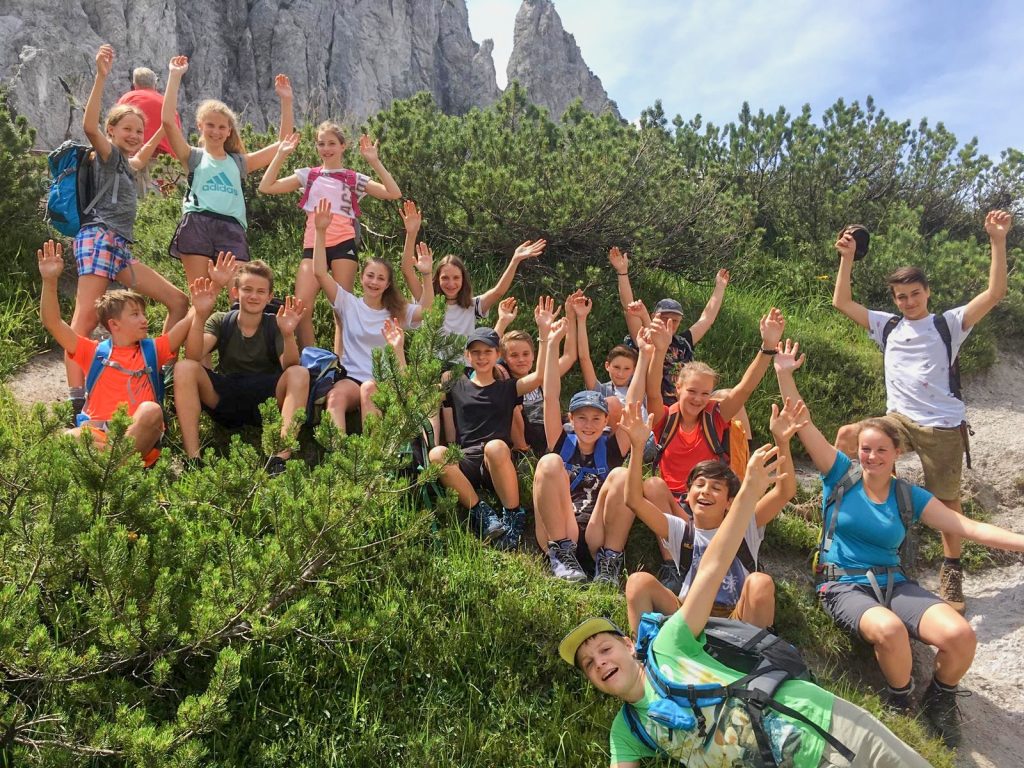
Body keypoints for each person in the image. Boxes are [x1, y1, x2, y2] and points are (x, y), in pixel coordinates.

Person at [558, 443, 935, 768]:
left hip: (821, 726)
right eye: (590, 664)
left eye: (604, 649)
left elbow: (715, 565)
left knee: (758, 582)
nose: (600, 662)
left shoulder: (666, 645)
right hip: (769, 732)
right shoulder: (627, 731)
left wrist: (752, 487)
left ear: (629, 644)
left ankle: (755, 651)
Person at [775, 338, 1024, 747]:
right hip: (841, 582)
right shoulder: (840, 475)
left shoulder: (909, 496)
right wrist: (784, 374)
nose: (870, 456)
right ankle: (899, 701)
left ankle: (939, 697)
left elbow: (969, 527)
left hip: (894, 582)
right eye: (865, 449)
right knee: (889, 630)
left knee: (960, 636)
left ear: (896, 454)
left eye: (880, 450)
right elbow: (803, 424)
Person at [831, 211, 1012, 614]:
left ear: (927, 292)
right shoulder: (888, 326)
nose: (908, 301)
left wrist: (997, 240)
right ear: (894, 299)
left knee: (946, 503)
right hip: (898, 421)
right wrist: (847, 257)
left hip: (942, 426)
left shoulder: (949, 324)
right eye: (901, 296)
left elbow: (994, 293)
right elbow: (841, 301)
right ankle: (854, 519)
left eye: (914, 294)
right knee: (848, 436)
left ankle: (951, 567)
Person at [65, 44, 189, 419]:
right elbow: (89, 126)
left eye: (138, 130)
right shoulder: (106, 155)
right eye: (127, 129)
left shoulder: (128, 163)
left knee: (178, 302)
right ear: (112, 131)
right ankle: (76, 399)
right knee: (86, 317)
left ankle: (157, 376)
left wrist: (172, 83)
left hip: (118, 247)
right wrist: (101, 77)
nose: (135, 135)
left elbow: (153, 142)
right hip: (99, 238)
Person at [621, 395, 803, 632]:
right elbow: (633, 500)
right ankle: (644, 658)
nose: (705, 491)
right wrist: (637, 447)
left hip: (738, 618)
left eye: (716, 488)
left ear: (729, 502)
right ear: (687, 495)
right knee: (637, 582)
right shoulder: (681, 531)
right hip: (689, 614)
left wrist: (783, 442)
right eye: (699, 485)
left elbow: (784, 492)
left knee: (760, 582)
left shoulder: (744, 524)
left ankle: (756, 657)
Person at [643, 309, 786, 592]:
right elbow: (652, 394)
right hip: (675, 505)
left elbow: (744, 390)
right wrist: (659, 351)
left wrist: (768, 347)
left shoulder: (714, 417)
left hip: (707, 500)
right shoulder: (666, 419)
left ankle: (735, 558)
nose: (698, 398)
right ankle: (674, 565)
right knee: (653, 485)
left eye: (705, 393)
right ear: (678, 388)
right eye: (692, 391)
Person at [38, 240, 192, 466]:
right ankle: (113, 468)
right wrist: (49, 280)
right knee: (67, 438)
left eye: (143, 313)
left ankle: (109, 471)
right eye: (135, 314)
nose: (144, 320)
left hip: (139, 437)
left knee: (151, 410)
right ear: (114, 324)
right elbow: (53, 323)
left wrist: (207, 296)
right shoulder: (92, 352)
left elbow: (188, 322)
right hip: (98, 437)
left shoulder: (154, 350)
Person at [259, 127, 402, 350]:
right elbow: (266, 186)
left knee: (341, 310)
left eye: (332, 143)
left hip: (343, 245)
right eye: (321, 143)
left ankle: (340, 363)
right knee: (301, 308)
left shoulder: (353, 178)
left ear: (343, 146)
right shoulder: (309, 175)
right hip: (313, 246)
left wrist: (374, 161)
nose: (326, 149)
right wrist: (281, 154)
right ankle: (312, 361)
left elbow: (393, 192)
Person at [427, 298, 552, 551]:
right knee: (437, 454)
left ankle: (513, 514)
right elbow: (426, 397)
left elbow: (539, 376)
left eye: (487, 352)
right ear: (467, 355)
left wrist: (544, 333)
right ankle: (480, 511)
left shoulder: (508, 388)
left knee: (495, 446)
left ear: (497, 355)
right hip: (466, 460)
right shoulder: (457, 383)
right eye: (476, 352)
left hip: (497, 459)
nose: (481, 357)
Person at [161, 56, 294, 286]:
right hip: (198, 222)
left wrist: (286, 101)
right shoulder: (193, 156)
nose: (216, 131)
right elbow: (168, 123)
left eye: (222, 127)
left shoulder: (238, 162)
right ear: (200, 126)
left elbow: (284, 142)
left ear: (229, 131)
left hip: (231, 228)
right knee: (202, 296)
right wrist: (174, 77)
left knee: (241, 292)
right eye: (210, 125)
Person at [173, 254, 309, 475]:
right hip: (227, 394)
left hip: (266, 400)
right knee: (184, 367)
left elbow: (289, 365)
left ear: (269, 297)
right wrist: (199, 315)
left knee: (300, 373)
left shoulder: (275, 324)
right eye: (247, 289)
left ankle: (278, 459)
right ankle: (193, 459)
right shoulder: (221, 320)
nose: (253, 296)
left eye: (260, 291)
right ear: (236, 292)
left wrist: (288, 334)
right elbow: (193, 355)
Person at [532, 315, 639, 584]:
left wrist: (647, 355)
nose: (588, 425)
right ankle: (560, 556)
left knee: (622, 476)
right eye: (581, 417)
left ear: (606, 421)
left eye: (595, 418)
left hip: (596, 534)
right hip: (561, 528)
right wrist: (553, 342)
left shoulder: (610, 448)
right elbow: (551, 395)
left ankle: (609, 562)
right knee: (548, 462)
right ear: (570, 419)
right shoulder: (562, 442)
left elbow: (633, 403)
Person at [310, 200, 431, 432]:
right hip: (351, 379)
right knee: (335, 398)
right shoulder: (347, 303)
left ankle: (374, 459)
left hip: (384, 382)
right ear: (361, 278)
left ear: (387, 284)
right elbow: (319, 272)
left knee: (369, 389)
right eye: (370, 276)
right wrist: (320, 231)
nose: (374, 282)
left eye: (380, 278)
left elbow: (426, 311)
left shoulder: (396, 310)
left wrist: (425, 274)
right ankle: (339, 458)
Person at [610, 246, 729, 406]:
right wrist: (622, 272)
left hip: (689, 401)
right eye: (665, 318)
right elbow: (629, 308)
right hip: (655, 404)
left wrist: (720, 287)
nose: (669, 323)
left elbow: (706, 319)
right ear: (653, 317)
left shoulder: (682, 342)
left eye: (675, 320)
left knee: (727, 395)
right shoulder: (644, 337)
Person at [115, 63, 182, 195]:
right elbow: (176, 135)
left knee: (137, 206)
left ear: (135, 84)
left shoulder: (128, 98)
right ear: (154, 85)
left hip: (135, 159)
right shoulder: (167, 104)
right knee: (162, 207)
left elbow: (117, 127)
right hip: (165, 164)